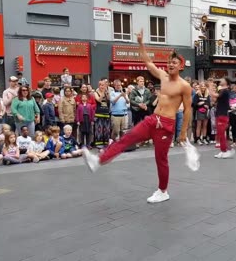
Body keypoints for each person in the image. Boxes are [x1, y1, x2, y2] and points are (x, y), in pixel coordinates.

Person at [82, 28, 193, 204]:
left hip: (166, 125)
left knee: (161, 159)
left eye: (174, 62)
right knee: (127, 137)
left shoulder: (185, 86)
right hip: (152, 119)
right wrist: (141, 43)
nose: (170, 65)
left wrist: (183, 132)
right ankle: (99, 161)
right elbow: (148, 62)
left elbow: (187, 109)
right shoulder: (163, 77)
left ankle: (163, 191)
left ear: (181, 65)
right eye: (169, 62)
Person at [213, 78, 234, 159]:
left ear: (226, 83)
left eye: (222, 80)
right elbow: (215, 99)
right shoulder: (221, 91)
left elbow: (215, 96)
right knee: (220, 133)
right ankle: (222, 151)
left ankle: (227, 150)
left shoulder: (225, 91)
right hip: (219, 114)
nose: (220, 80)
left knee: (221, 133)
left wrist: (210, 87)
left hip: (223, 115)